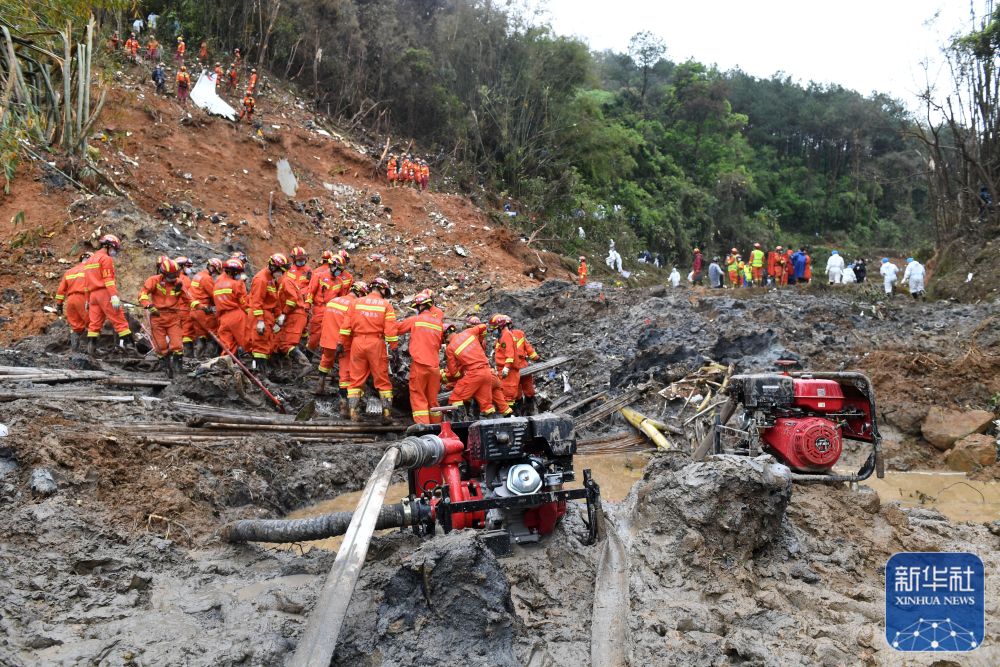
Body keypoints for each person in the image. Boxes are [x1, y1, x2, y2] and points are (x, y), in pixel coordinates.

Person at [343, 278, 398, 423]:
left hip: (357, 342)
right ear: (382, 289)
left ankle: (353, 412)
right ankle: (386, 414)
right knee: (382, 379)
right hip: (376, 343)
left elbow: (345, 327)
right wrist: (394, 349)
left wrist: (346, 345)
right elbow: (391, 331)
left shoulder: (356, 303)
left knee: (355, 379)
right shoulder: (386, 305)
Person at [316, 281, 366, 414]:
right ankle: (344, 406)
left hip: (327, 340)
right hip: (343, 344)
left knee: (326, 359)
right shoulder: (354, 305)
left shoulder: (333, 301)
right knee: (345, 374)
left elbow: (324, 321)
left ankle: (320, 384)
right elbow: (351, 327)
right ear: (360, 293)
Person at [396, 291, 445, 424]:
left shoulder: (416, 320)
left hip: (419, 365)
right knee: (433, 400)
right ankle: (437, 428)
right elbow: (439, 344)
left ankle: (424, 431)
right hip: (434, 367)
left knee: (419, 397)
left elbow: (397, 328)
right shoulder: (438, 324)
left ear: (419, 306)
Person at [138, 258, 191, 377]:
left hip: (173, 318)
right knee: (161, 347)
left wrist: (201, 307)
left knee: (177, 346)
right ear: (163, 273)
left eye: (175, 275)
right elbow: (142, 295)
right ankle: (166, 371)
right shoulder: (153, 280)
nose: (173, 277)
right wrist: (149, 305)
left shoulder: (179, 284)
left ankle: (178, 372)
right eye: (171, 275)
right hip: (157, 317)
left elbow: (189, 300)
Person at [84, 234, 133, 354]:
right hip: (104, 293)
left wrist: (87, 300)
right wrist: (114, 295)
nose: (114, 251)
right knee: (120, 321)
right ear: (108, 246)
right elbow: (108, 279)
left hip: (93, 296)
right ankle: (131, 349)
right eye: (114, 248)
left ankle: (91, 350)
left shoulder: (90, 260)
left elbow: (86, 283)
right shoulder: (106, 259)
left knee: (94, 324)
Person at [442, 323, 497, 422]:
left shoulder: (450, 348)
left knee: (456, 398)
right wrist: (480, 340)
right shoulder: (469, 332)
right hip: (487, 372)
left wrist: (460, 376)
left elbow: (454, 373)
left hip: (474, 374)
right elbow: (483, 326)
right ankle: (494, 428)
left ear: (445, 336)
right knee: (487, 406)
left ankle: (461, 427)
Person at [248, 253, 289, 373]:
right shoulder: (261, 279)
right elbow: (256, 302)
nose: (282, 274)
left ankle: (262, 372)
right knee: (260, 345)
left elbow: (274, 300)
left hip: (268, 316)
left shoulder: (271, 279)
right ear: (273, 267)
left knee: (266, 344)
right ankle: (259, 375)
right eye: (281, 271)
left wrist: (278, 317)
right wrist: (260, 321)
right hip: (260, 315)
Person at [274, 257, 312, 368]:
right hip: (294, 315)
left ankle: (305, 365)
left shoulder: (285, 281)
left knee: (287, 344)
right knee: (280, 342)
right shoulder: (284, 281)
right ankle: (285, 367)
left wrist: (283, 314)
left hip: (296, 315)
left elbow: (292, 300)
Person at [55, 252, 92, 352]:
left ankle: (74, 352)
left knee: (76, 327)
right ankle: (91, 353)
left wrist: (59, 304)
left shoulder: (69, 272)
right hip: (84, 298)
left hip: (70, 300)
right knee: (92, 324)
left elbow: (60, 290)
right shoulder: (91, 270)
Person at [213, 258, 249, 356]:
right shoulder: (235, 284)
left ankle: (228, 366)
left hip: (223, 318)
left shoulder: (217, 284)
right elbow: (243, 302)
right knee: (247, 341)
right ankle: (254, 365)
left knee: (227, 346)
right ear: (232, 272)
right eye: (238, 272)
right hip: (236, 316)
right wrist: (250, 313)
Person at [189, 258, 223, 357]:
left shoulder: (197, 276)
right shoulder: (206, 278)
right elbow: (214, 294)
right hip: (204, 311)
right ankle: (210, 357)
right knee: (213, 334)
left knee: (201, 335)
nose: (215, 274)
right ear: (212, 268)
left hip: (194, 310)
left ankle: (198, 357)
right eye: (216, 271)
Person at [305, 250, 336, 353]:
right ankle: (313, 353)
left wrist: (308, 304)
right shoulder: (319, 274)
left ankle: (313, 352)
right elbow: (312, 289)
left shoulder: (338, 280)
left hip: (327, 309)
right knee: (322, 333)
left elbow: (310, 290)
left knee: (317, 333)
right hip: (322, 308)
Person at [490, 314, 519, 413]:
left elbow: (509, 354)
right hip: (502, 369)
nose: (494, 331)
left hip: (508, 371)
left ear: (500, 326)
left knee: (508, 395)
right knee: (505, 394)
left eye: (495, 328)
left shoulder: (506, 335)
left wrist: (506, 368)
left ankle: (511, 417)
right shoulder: (502, 336)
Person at [511, 323, 541, 415]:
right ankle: (530, 410)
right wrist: (536, 358)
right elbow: (528, 348)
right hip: (522, 364)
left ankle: (519, 412)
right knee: (528, 388)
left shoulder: (500, 339)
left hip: (512, 367)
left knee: (516, 390)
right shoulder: (520, 333)